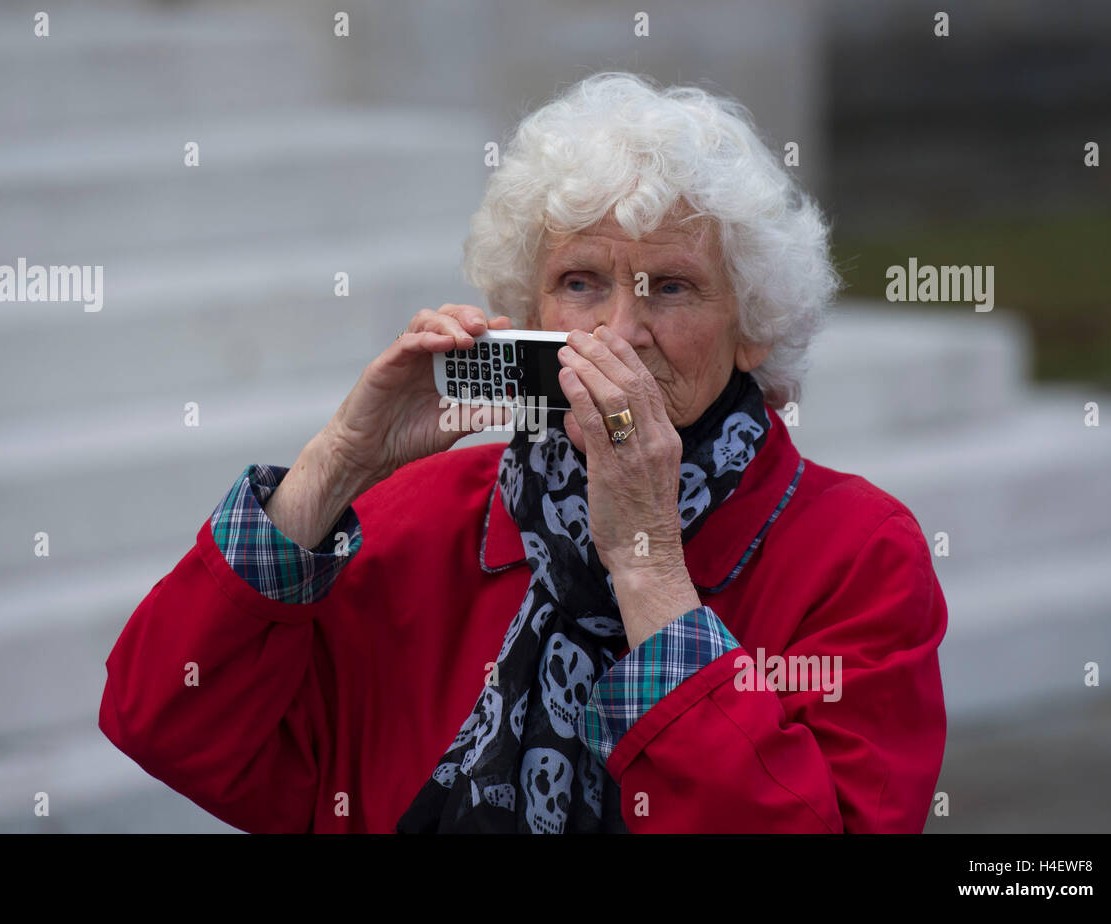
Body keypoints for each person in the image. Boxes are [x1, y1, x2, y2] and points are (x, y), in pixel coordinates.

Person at [99, 72, 947, 833]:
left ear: (753, 331)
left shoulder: (857, 553)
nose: (620, 332)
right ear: (528, 308)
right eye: (583, 283)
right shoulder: (421, 517)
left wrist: (647, 567)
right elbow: (169, 723)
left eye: (674, 287)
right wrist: (339, 464)